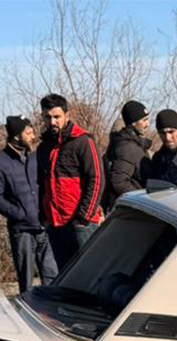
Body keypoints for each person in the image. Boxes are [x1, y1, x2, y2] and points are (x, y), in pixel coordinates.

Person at [0, 115, 57, 293]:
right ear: (17, 136)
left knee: (52, 277)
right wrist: (19, 214)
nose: (33, 136)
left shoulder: (36, 157)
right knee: (26, 283)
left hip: (45, 227)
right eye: (29, 133)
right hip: (22, 231)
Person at [37, 93, 104, 268]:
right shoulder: (43, 148)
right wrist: (44, 217)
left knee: (89, 273)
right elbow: (41, 185)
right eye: (48, 117)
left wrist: (84, 217)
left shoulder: (82, 141)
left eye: (57, 117)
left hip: (81, 223)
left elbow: (96, 179)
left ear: (67, 115)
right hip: (56, 224)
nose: (52, 122)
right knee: (65, 276)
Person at [104, 100, 152, 208]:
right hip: (132, 209)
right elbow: (119, 182)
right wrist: (142, 199)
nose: (147, 124)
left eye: (147, 120)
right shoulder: (127, 148)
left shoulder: (135, 145)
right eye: (144, 120)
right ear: (133, 123)